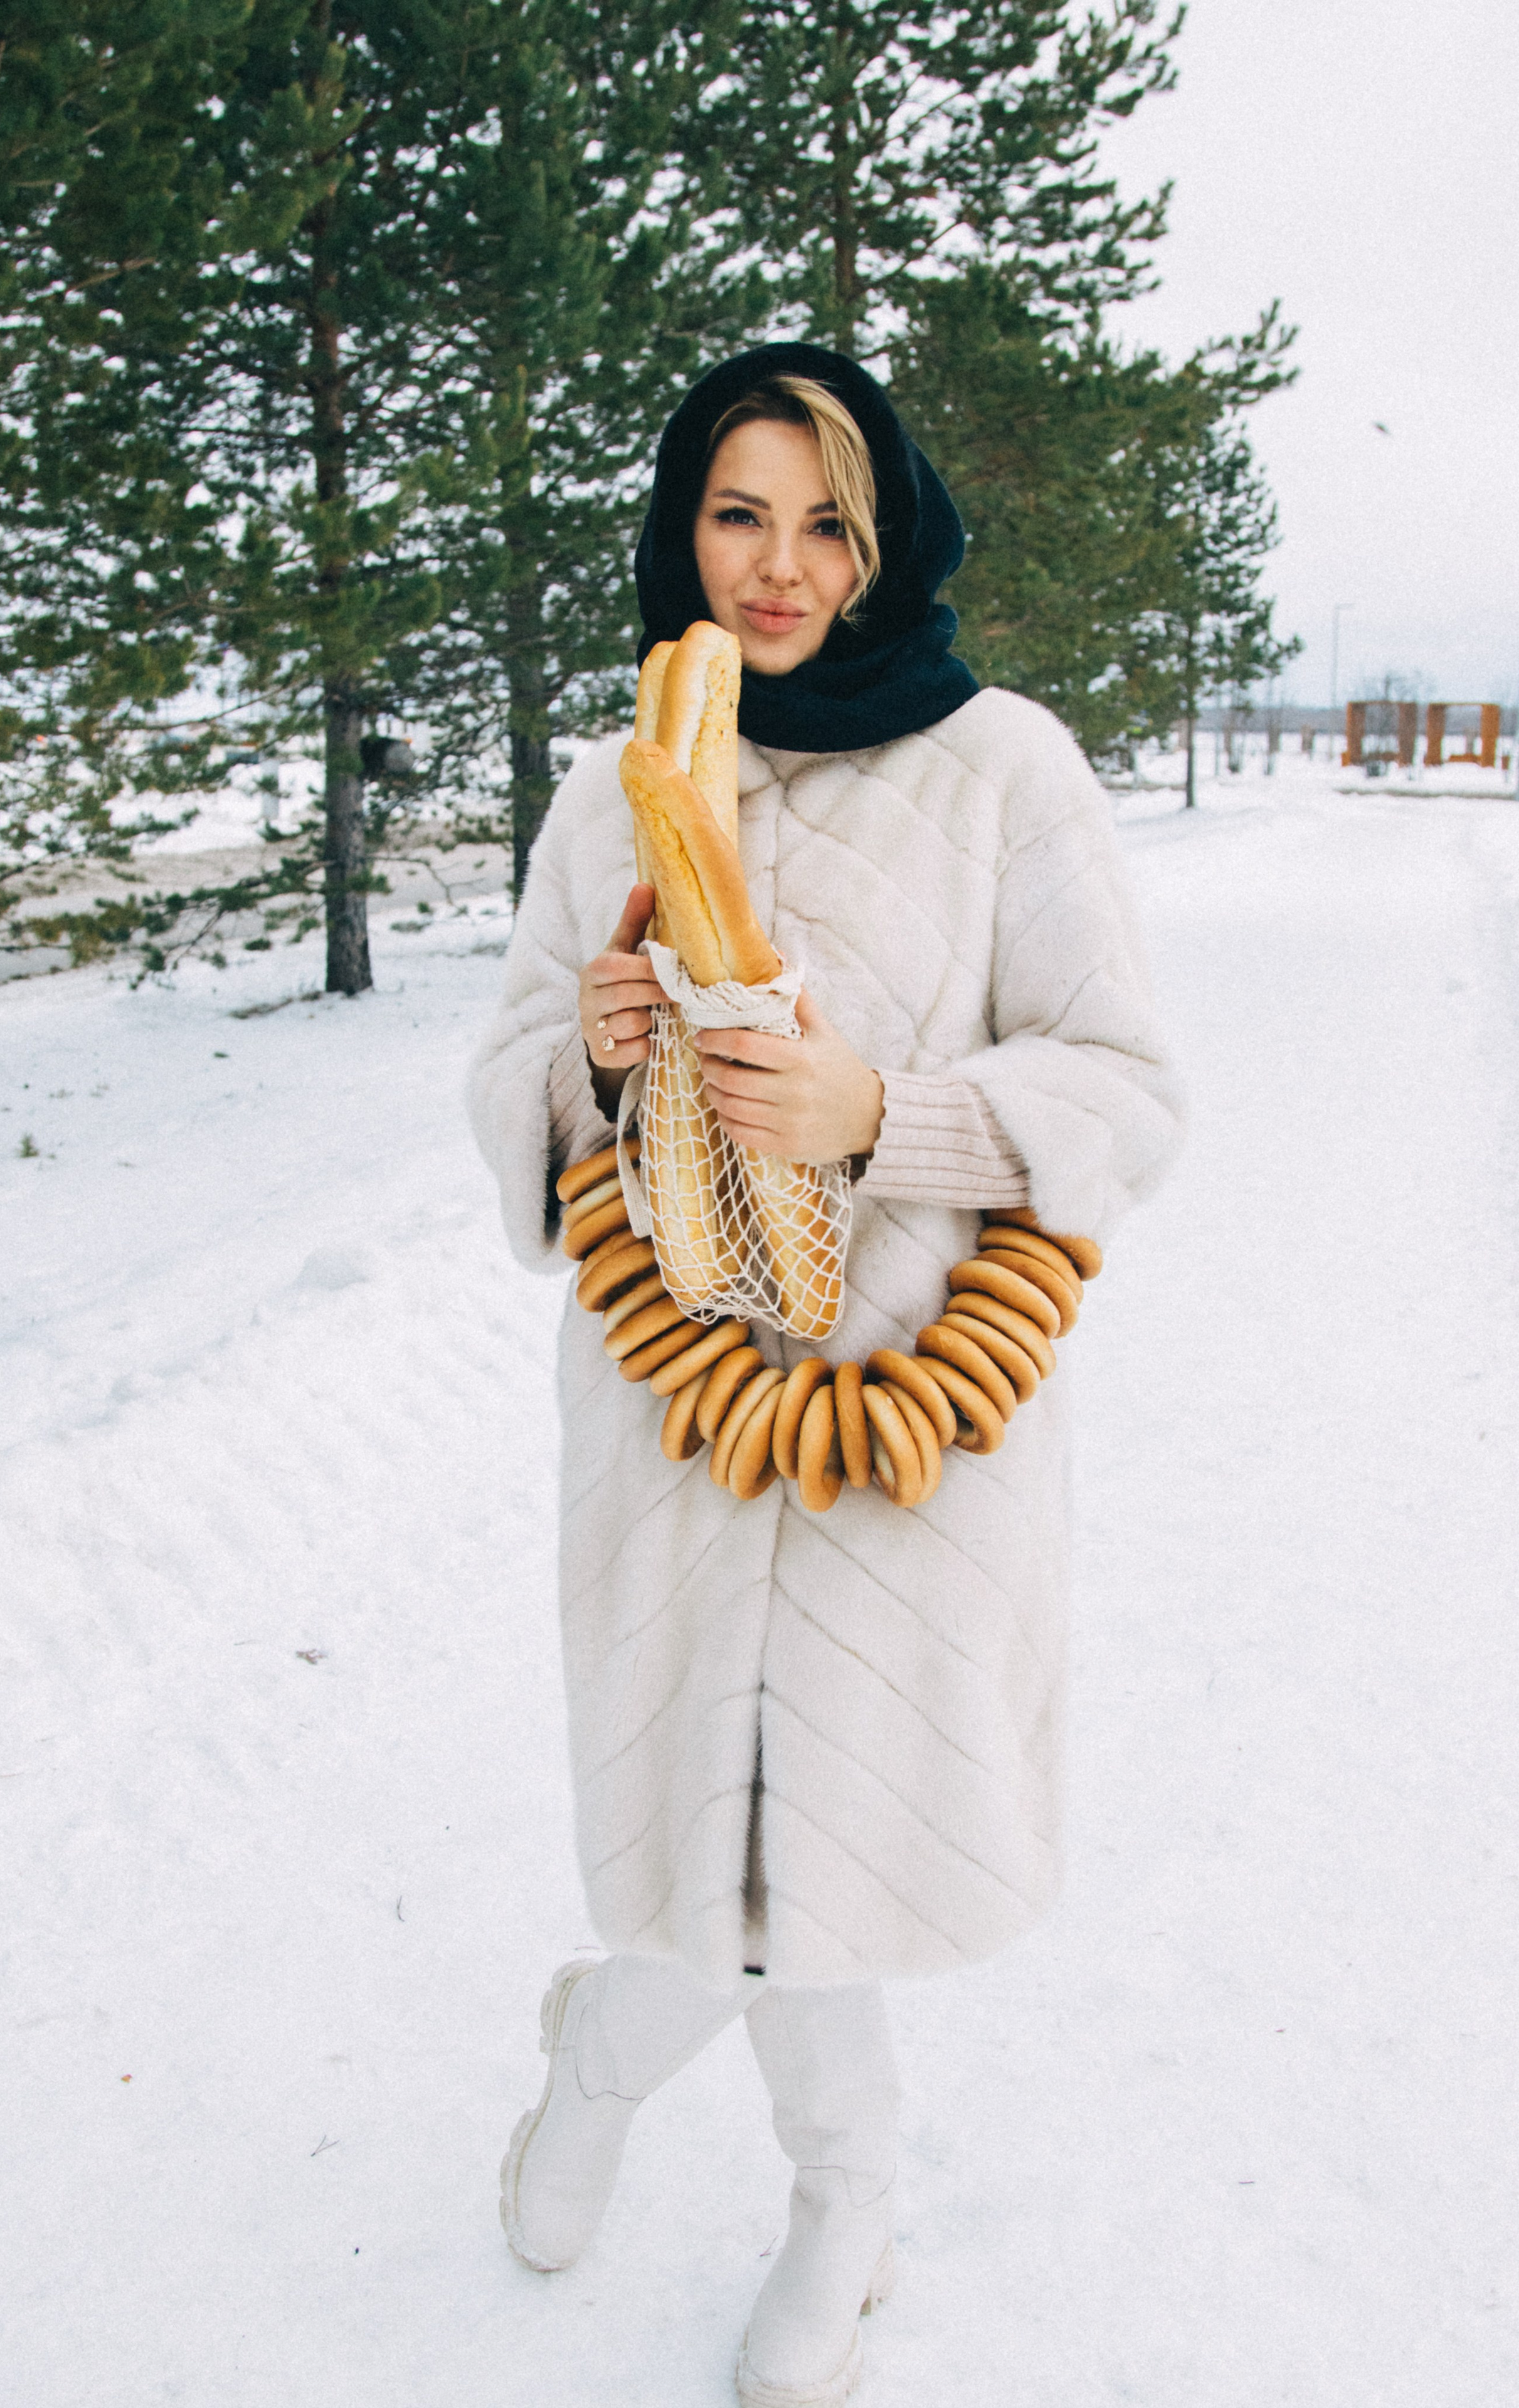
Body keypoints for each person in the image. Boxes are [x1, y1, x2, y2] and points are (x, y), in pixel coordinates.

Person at [467, 342, 1182, 2406]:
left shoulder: (1007, 769)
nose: (777, 569)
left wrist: (887, 1110)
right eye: (734, 514)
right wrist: (598, 1054)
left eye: (822, 520)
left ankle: (828, 2197)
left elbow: (1128, 1088)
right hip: (676, 1415)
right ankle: (616, 2073)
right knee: (721, 1846)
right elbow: (505, 1084)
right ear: (681, 530)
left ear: (886, 537)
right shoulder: (618, 781)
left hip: (908, 1423)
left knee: (830, 1863)